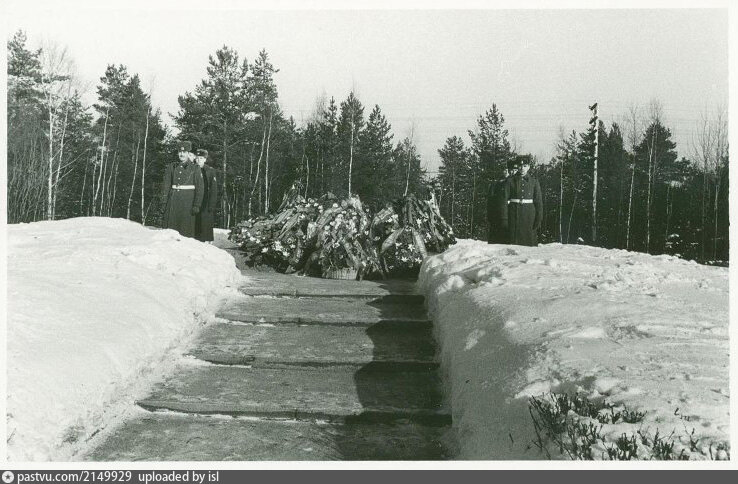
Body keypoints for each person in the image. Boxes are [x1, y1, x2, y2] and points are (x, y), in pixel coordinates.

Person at [161, 141, 204, 238]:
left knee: (185, 232)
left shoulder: (195, 168)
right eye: (180, 152)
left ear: (188, 153)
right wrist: (164, 202)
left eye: (184, 152)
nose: (181, 154)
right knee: (170, 232)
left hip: (187, 203)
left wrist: (196, 205)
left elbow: (200, 188)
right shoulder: (172, 167)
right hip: (173, 202)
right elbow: (166, 186)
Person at [500, 156, 543, 246]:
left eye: (525, 166)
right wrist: (504, 218)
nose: (522, 168)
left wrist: (539, 218)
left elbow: (538, 202)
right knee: (514, 244)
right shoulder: (510, 181)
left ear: (529, 167)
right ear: (517, 166)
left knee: (529, 243)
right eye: (520, 166)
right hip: (513, 215)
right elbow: (503, 201)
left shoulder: (534, 182)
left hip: (529, 217)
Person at [194, 148, 218, 243]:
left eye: (201, 158)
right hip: (194, 199)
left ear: (205, 159)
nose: (198, 160)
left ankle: (206, 241)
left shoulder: (210, 171)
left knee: (205, 221)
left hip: (206, 200)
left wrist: (212, 204)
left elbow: (213, 189)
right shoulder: (192, 169)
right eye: (197, 158)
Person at [486, 167, 510, 244]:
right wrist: (490, 215)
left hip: (509, 216)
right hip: (496, 215)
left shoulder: (513, 183)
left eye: (508, 170)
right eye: (505, 170)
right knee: (495, 240)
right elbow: (490, 200)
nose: (507, 172)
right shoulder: (495, 183)